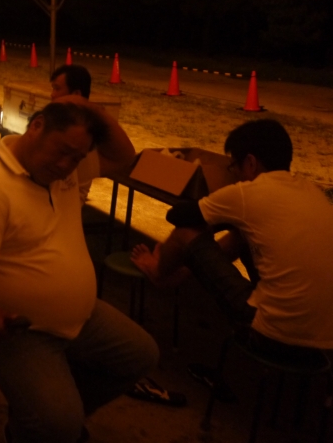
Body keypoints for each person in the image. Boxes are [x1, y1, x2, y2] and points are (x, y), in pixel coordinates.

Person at [0, 100, 158, 443]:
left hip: (78, 316)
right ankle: (47, 421)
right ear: (36, 126)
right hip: (17, 328)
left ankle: (46, 416)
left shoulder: (65, 173)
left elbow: (124, 156)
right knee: (60, 423)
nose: (66, 165)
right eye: (62, 151)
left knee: (141, 354)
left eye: (77, 158)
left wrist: (91, 110)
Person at [130, 119, 333, 356]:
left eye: (234, 166)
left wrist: (219, 209)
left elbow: (177, 215)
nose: (234, 174)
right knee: (242, 234)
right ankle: (181, 274)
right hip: (325, 340)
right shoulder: (312, 191)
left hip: (272, 333)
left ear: (250, 162)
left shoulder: (249, 193)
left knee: (186, 232)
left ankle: (159, 272)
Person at [50, 64, 96, 204]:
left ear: (76, 95)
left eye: (57, 88)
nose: (52, 94)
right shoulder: (57, 121)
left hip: (63, 206)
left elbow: (81, 187)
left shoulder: (83, 134)